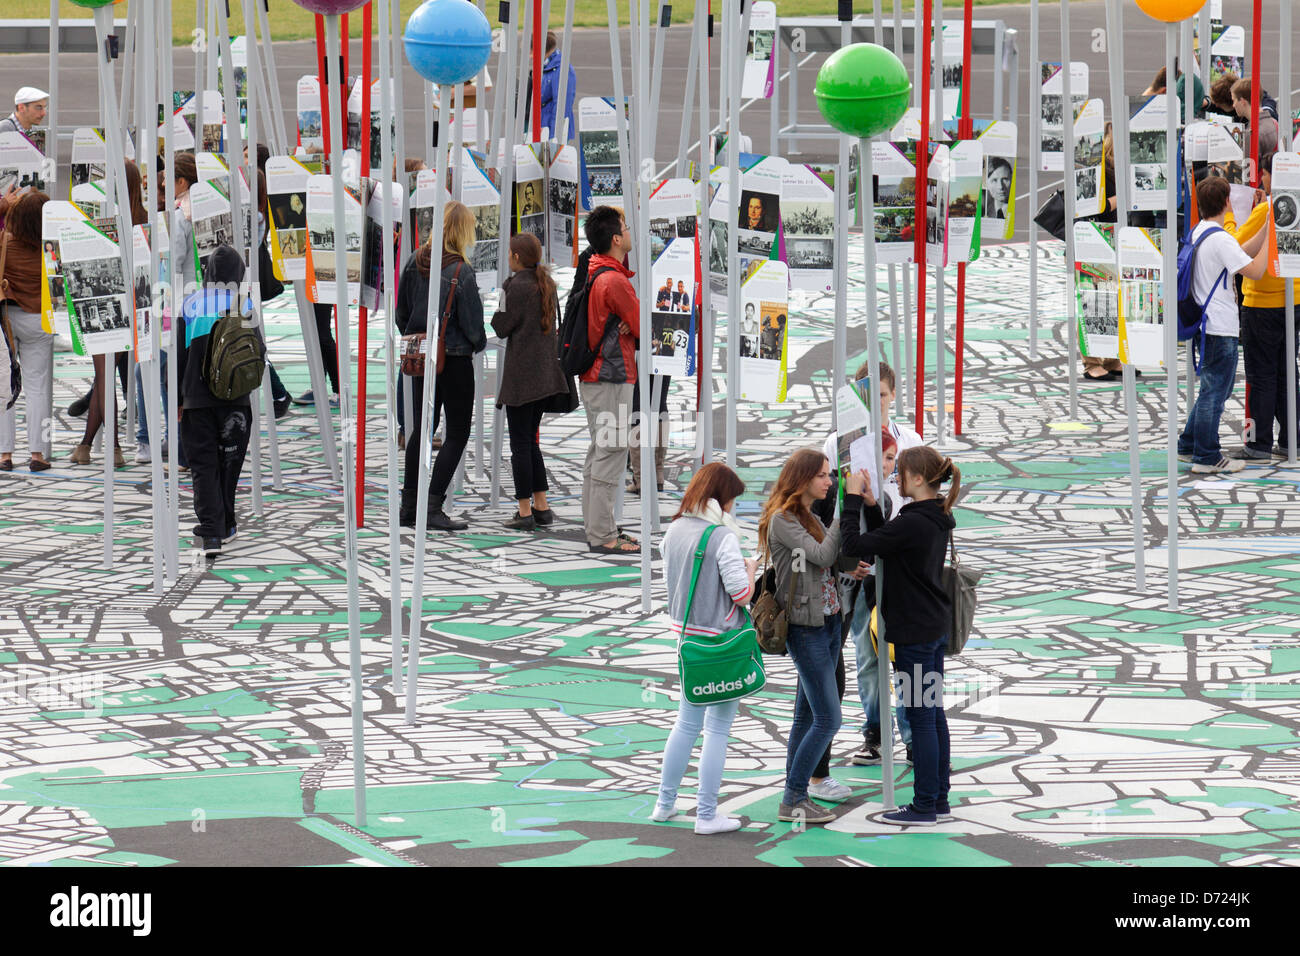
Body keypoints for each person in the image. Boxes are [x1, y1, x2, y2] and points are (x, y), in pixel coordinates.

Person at [841, 446, 960, 826]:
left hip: (913, 635)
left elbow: (855, 546)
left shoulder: (914, 522)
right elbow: (886, 540)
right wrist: (873, 506)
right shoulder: (934, 516)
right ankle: (937, 798)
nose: (896, 478)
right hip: (930, 629)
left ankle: (925, 804)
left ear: (919, 478)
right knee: (933, 714)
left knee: (921, 716)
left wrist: (850, 501)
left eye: (901, 472)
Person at [816, 361, 919, 768]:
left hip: (897, 560)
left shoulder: (908, 439)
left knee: (903, 654)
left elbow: (918, 497)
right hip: (856, 561)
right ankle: (875, 731)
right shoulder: (837, 442)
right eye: (865, 395)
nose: (874, 403)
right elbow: (828, 500)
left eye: (879, 394)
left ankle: (912, 734)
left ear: (892, 395)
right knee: (865, 651)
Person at [652, 462, 757, 834]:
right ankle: (707, 814)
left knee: (685, 723)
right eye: (732, 501)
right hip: (722, 642)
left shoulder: (675, 530)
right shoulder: (720, 538)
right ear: (721, 498)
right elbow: (742, 595)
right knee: (718, 729)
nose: (733, 508)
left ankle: (664, 803)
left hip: (686, 641)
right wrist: (751, 570)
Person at [758, 447, 851, 825]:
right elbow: (824, 554)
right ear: (803, 479)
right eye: (823, 476)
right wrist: (847, 510)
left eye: (830, 476)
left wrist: (850, 568)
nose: (830, 482)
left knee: (806, 715)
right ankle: (793, 796)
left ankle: (794, 792)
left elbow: (821, 564)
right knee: (829, 718)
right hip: (805, 626)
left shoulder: (805, 516)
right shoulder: (783, 520)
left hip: (827, 621)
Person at [395, 200, 486, 530]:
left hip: (422, 357)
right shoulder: (461, 271)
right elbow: (474, 325)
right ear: (464, 231)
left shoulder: (413, 261)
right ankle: (432, 506)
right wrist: (478, 343)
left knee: (421, 430)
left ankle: (410, 505)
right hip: (457, 359)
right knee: (457, 432)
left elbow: (400, 315)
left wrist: (420, 336)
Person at [1177, 176, 1271, 474]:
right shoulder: (1220, 239)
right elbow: (1255, 270)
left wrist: (1267, 226)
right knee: (1215, 392)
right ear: (1227, 202)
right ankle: (1206, 456)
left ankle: (1189, 443)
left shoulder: (1200, 232)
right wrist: (1271, 240)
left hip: (1207, 322)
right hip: (1220, 324)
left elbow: (1242, 251)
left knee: (1213, 387)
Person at [177, 244, 260, 558]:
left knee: (203, 465)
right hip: (236, 402)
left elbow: (178, 358)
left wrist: (177, 400)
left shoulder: (191, 304)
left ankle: (211, 531)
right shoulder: (245, 304)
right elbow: (258, 353)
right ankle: (226, 522)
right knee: (229, 463)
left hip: (197, 401)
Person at [71, 160, 151, 467]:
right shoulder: (144, 219)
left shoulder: (103, 221)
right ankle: (85, 446)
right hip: (134, 305)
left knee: (104, 377)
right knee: (103, 376)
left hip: (103, 304)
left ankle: (113, 446)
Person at [1222, 153, 1300, 460]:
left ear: (1269, 176)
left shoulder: (1266, 210)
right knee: (1286, 373)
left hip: (1261, 303)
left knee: (1260, 375)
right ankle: (1292, 439)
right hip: (1293, 300)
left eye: (1264, 175)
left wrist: (1230, 215)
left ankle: (1257, 443)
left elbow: (1233, 247)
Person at [490, 232, 567, 530]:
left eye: (510, 253)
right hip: (546, 377)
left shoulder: (515, 287)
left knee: (520, 445)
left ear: (517, 257)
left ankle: (524, 511)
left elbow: (500, 326)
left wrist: (500, 301)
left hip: (522, 378)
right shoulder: (545, 283)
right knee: (531, 442)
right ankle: (542, 505)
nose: (508, 257)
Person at [579, 206, 640, 554]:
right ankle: (602, 533)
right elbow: (641, 323)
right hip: (611, 374)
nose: (630, 232)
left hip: (598, 375)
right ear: (616, 239)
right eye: (627, 227)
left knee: (600, 450)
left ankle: (598, 527)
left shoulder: (596, 271)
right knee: (611, 451)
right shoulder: (614, 280)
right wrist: (634, 323)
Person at [0, 190, 53, 471]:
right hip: (39, 319)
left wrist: (3, 206)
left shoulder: (5, 242)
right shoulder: (52, 247)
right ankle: (37, 454)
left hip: (7, 316)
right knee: (38, 387)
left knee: (4, 386)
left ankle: (4, 454)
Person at [524, 31, 577, 141]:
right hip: (542, 127)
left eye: (531, 51)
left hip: (551, 130)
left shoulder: (562, 69)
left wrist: (554, 135)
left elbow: (562, 105)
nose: (529, 56)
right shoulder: (545, 65)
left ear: (540, 49)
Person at [1230, 78, 1279, 157]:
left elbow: (1248, 167)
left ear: (1242, 101)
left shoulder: (1253, 134)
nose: (1233, 105)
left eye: (1234, 100)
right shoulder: (1274, 122)